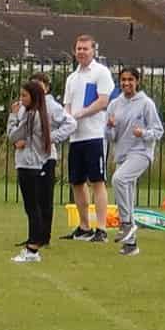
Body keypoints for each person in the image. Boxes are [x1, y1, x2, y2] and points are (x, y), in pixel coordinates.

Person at [8, 76, 74, 263]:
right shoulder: (38, 113)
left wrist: (13, 116)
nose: (21, 99)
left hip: (28, 164)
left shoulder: (31, 115)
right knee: (34, 206)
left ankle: (33, 248)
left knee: (33, 207)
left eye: (24, 95)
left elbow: (13, 135)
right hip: (35, 162)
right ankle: (33, 244)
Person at [106, 66, 164, 257]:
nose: (126, 83)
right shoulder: (114, 104)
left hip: (141, 152)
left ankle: (126, 223)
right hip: (122, 154)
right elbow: (110, 136)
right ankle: (131, 246)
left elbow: (158, 131)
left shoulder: (146, 103)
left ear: (137, 81)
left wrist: (144, 133)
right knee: (127, 194)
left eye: (130, 80)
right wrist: (110, 126)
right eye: (123, 80)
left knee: (118, 179)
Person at [62, 34, 115, 240]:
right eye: (79, 49)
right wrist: (67, 120)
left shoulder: (101, 72)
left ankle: (101, 228)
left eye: (85, 48)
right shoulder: (72, 78)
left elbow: (103, 101)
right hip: (76, 137)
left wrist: (81, 113)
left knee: (97, 181)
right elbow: (67, 106)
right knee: (77, 182)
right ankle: (84, 227)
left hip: (95, 135)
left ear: (93, 50)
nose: (82, 52)